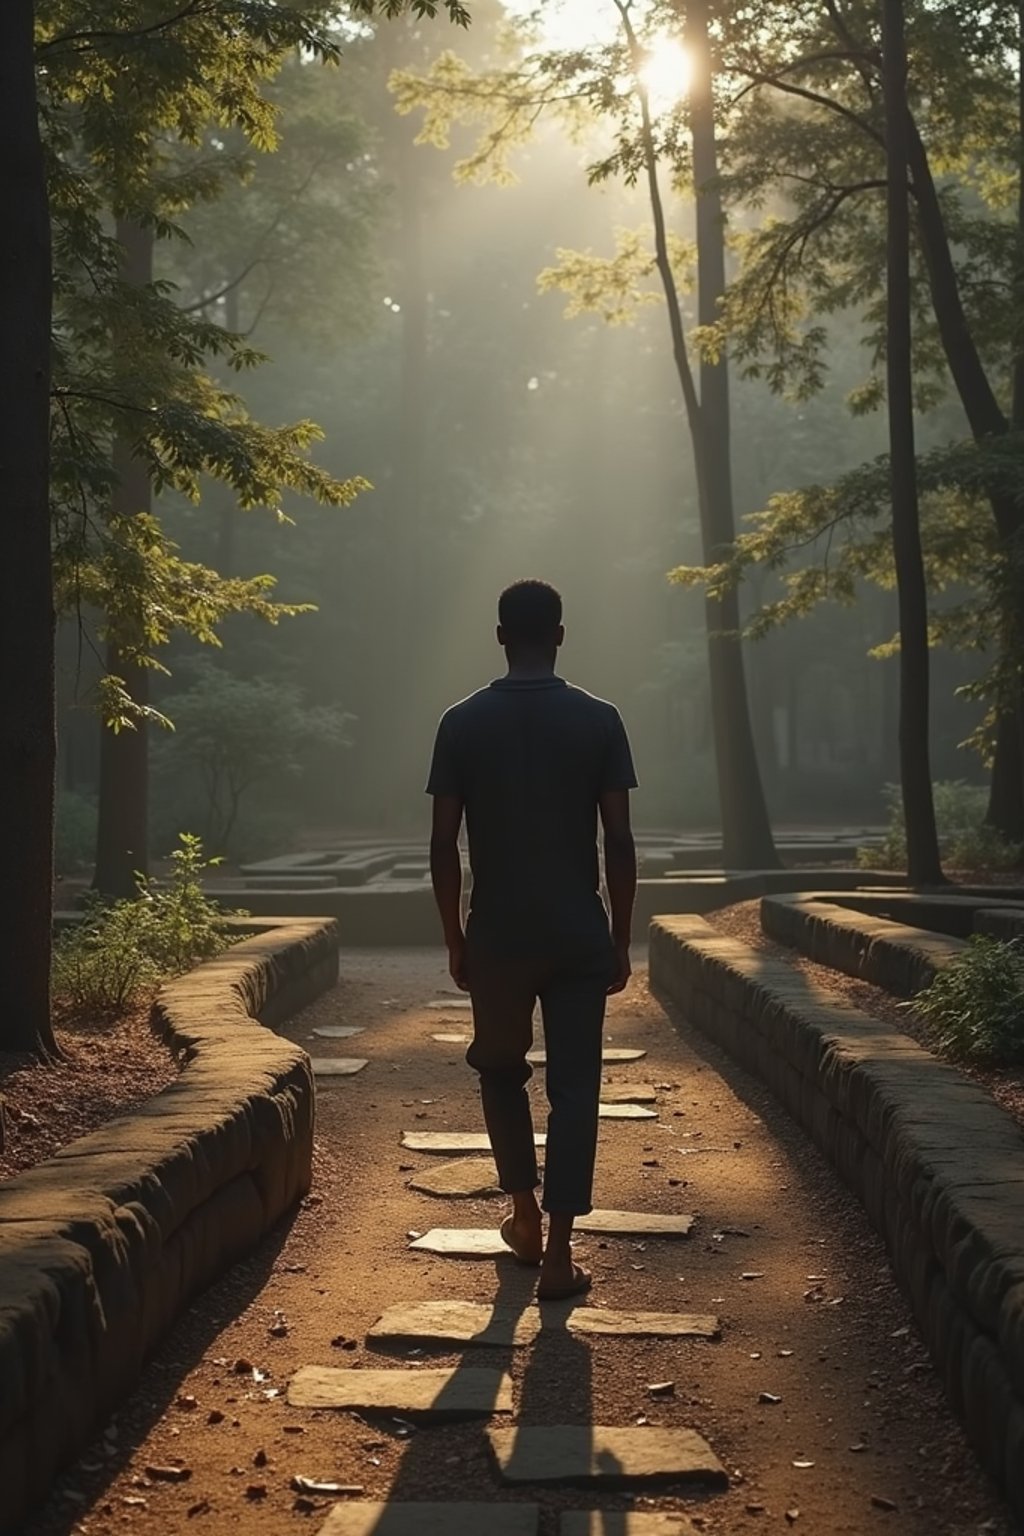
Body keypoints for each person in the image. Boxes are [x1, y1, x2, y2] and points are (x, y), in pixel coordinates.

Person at [426, 579, 638, 1300]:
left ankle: (523, 1217)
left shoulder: (461, 722)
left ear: (499, 636)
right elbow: (619, 838)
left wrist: (455, 936)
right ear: (559, 635)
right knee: (575, 1090)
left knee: (499, 1071)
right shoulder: (599, 719)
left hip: (499, 936)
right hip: (578, 932)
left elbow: (442, 843)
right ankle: (559, 1257)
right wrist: (620, 935)